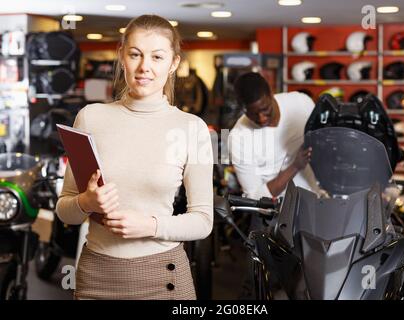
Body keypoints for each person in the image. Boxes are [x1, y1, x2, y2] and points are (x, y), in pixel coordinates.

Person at [56, 15, 213, 300]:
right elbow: (64, 210)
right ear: (121, 56)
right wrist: (85, 202)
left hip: (164, 277)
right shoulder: (90, 118)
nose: (145, 67)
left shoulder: (193, 128)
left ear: (173, 63)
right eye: (135, 54)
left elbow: (203, 221)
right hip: (96, 276)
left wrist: (150, 225)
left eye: (157, 57)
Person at [229, 72, 318, 202]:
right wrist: (295, 166)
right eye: (253, 114)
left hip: (317, 198)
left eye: (265, 109)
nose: (261, 118)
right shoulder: (238, 138)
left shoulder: (301, 103)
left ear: (271, 93)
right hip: (279, 214)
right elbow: (255, 197)